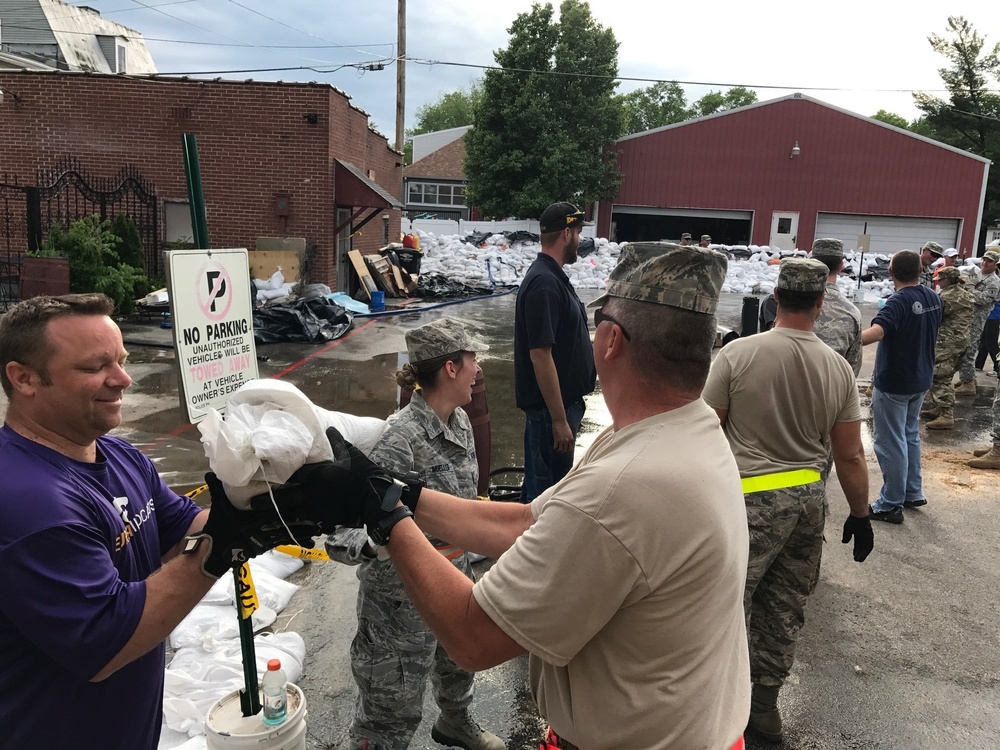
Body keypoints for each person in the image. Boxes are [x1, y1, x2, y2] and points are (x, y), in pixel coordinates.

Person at [314, 245, 752, 750]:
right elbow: (526, 520)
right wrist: (404, 494)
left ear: (610, 341)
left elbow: (473, 637)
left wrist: (387, 514)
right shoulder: (679, 434)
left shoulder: (624, 485)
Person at [0, 293, 323, 749]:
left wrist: (270, 504)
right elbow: (106, 640)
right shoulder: (26, 501)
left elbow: (183, 531)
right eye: (96, 367)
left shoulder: (117, 455)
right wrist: (223, 547)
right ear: (25, 378)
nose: (124, 379)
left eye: (122, 360)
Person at [702, 257, 873, 743]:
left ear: (776, 298)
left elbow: (705, 427)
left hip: (747, 501)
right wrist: (861, 516)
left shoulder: (737, 356)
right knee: (784, 606)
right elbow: (851, 455)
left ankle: (713, 699)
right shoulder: (838, 368)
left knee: (726, 603)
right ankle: (763, 708)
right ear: (821, 304)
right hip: (805, 503)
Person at [324, 319, 504, 750]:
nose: (478, 370)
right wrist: (377, 545)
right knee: (390, 707)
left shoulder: (459, 422)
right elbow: (341, 534)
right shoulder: (396, 440)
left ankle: (456, 722)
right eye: (472, 360)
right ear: (451, 368)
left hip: (454, 580)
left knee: (458, 665)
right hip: (399, 606)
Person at [514, 201, 596, 502]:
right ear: (566, 233)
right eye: (577, 232)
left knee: (546, 494)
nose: (579, 240)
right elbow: (540, 355)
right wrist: (560, 421)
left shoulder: (553, 278)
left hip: (560, 410)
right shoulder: (545, 284)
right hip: (551, 416)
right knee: (546, 503)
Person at [861, 250, 942, 523]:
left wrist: (848, 340)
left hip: (895, 381)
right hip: (920, 378)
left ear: (891, 272)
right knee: (909, 435)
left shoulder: (897, 302)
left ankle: (890, 503)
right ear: (920, 271)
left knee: (890, 442)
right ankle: (911, 491)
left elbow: (878, 332)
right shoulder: (931, 296)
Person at [921, 266, 975, 430]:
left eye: (940, 280)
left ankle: (946, 415)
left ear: (946, 280)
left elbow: (934, 316)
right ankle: (940, 406)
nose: (938, 284)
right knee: (947, 374)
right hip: (963, 341)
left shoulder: (947, 296)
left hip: (948, 342)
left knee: (939, 376)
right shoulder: (966, 293)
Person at [809, 238, 863, 375]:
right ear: (841, 267)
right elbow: (852, 370)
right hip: (831, 391)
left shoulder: (789, 302)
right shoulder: (852, 312)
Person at [954, 249, 1000, 397]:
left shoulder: (994, 281)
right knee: (966, 348)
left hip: (977, 319)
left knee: (968, 350)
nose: (985, 263)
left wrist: (969, 288)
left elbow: (983, 299)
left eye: (989, 261)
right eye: (984, 260)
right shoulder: (979, 275)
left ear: (995, 264)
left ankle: (968, 384)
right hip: (968, 316)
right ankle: (969, 378)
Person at [974, 298, 1000, 375]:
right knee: (984, 340)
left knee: (991, 342)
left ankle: (997, 367)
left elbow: (986, 298)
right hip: (988, 315)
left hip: (993, 315)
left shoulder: (995, 286)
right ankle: (979, 364)